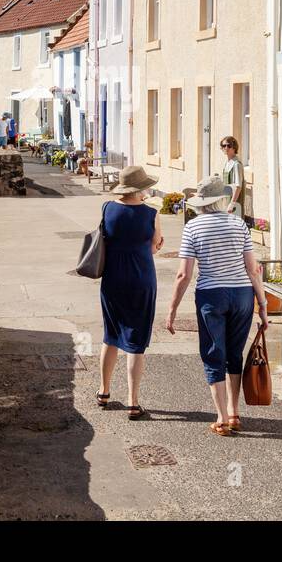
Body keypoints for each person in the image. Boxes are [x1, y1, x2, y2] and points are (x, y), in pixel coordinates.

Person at [166, 174, 270, 436]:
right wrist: (263, 304)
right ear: (220, 199)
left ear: (200, 202)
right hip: (243, 295)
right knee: (235, 354)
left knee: (214, 355)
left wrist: (172, 309)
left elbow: (184, 274)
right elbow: (253, 269)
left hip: (212, 295)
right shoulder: (238, 224)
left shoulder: (193, 227)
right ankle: (235, 413)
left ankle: (221, 418)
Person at [97, 166, 163, 420]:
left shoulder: (107, 209)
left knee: (110, 335)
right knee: (135, 342)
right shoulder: (151, 214)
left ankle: (104, 391)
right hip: (141, 280)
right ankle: (133, 402)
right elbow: (154, 248)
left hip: (112, 280)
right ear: (140, 188)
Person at [221, 135, 246, 219]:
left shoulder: (236, 164)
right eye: (224, 146)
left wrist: (232, 204)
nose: (226, 148)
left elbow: (238, 186)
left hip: (234, 202)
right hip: (226, 200)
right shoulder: (227, 163)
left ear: (234, 147)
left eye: (229, 145)